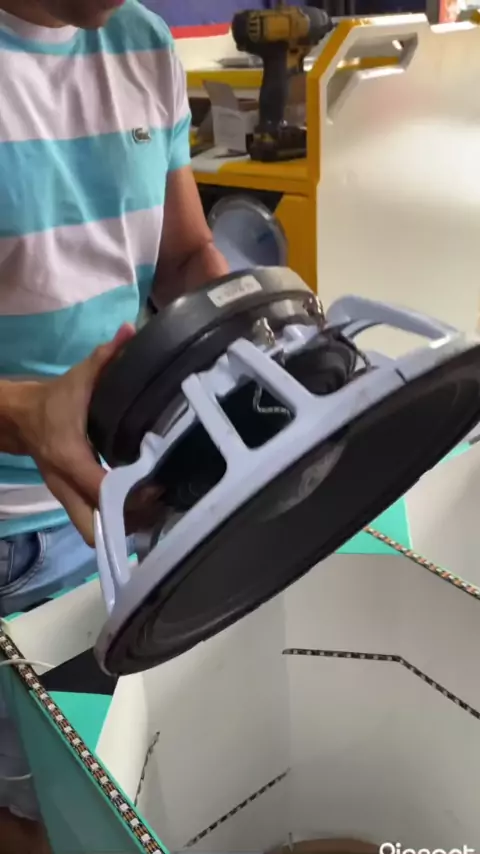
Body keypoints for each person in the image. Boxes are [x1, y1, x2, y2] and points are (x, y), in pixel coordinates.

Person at [0, 0, 229, 850]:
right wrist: (25, 412)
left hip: (132, 500)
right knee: (36, 809)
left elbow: (183, 255)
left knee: (119, 783)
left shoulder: (144, 42)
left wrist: (249, 321)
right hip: (16, 537)